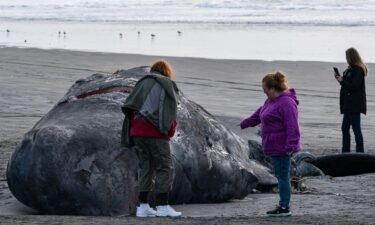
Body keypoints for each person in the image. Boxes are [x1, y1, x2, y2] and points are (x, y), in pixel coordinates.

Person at [122, 60, 181, 217]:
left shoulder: (142, 83)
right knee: (165, 167)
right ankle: (163, 206)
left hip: (137, 132)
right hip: (155, 133)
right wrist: (169, 130)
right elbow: (169, 111)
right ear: (166, 72)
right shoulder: (166, 84)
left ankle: (143, 207)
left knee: (146, 167)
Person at [240, 71, 301, 217]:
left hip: (282, 147)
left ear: (273, 88)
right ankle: (283, 205)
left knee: (282, 177)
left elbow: (293, 126)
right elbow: (259, 114)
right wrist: (245, 123)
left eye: (265, 89)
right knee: (280, 175)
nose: (264, 92)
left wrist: (291, 146)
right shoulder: (271, 101)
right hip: (273, 146)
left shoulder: (287, 103)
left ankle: (284, 207)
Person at [334, 47, 368, 153]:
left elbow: (354, 86)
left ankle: (360, 152)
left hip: (354, 105)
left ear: (351, 57)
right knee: (345, 128)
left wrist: (341, 81)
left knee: (356, 129)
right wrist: (341, 78)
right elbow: (349, 82)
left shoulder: (358, 70)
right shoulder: (350, 69)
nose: (346, 59)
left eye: (346, 57)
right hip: (348, 104)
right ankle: (345, 152)